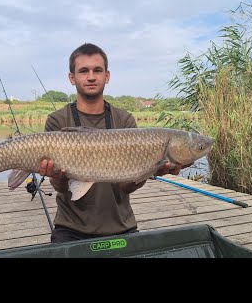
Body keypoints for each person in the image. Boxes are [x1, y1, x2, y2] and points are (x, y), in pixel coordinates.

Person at [39, 43, 189, 243]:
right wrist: (55, 175)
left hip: (121, 226)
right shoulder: (58, 120)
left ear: (107, 76)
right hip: (70, 227)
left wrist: (151, 170)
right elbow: (59, 186)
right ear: (72, 78)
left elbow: (126, 187)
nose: (91, 76)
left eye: (97, 70)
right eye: (83, 71)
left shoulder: (124, 120)